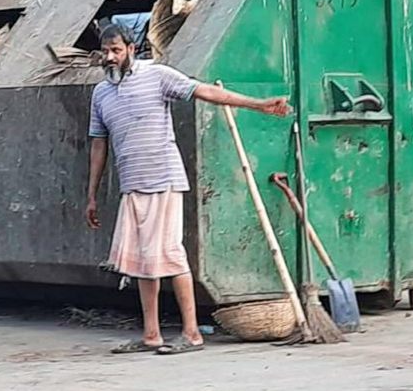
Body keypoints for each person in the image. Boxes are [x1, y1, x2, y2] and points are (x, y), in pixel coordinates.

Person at [86, 25, 290, 355]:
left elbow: (207, 92)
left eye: (116, 50)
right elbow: (98, 145)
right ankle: (151, 335)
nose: (109, 57)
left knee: (170, 255)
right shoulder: (101, 94)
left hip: (163, 179)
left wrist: (259, 104)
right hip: (132, 184)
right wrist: (92, 195)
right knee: (141, 263)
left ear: (131, 50)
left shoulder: (157, 76)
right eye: (105, 52)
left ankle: (192, 333)